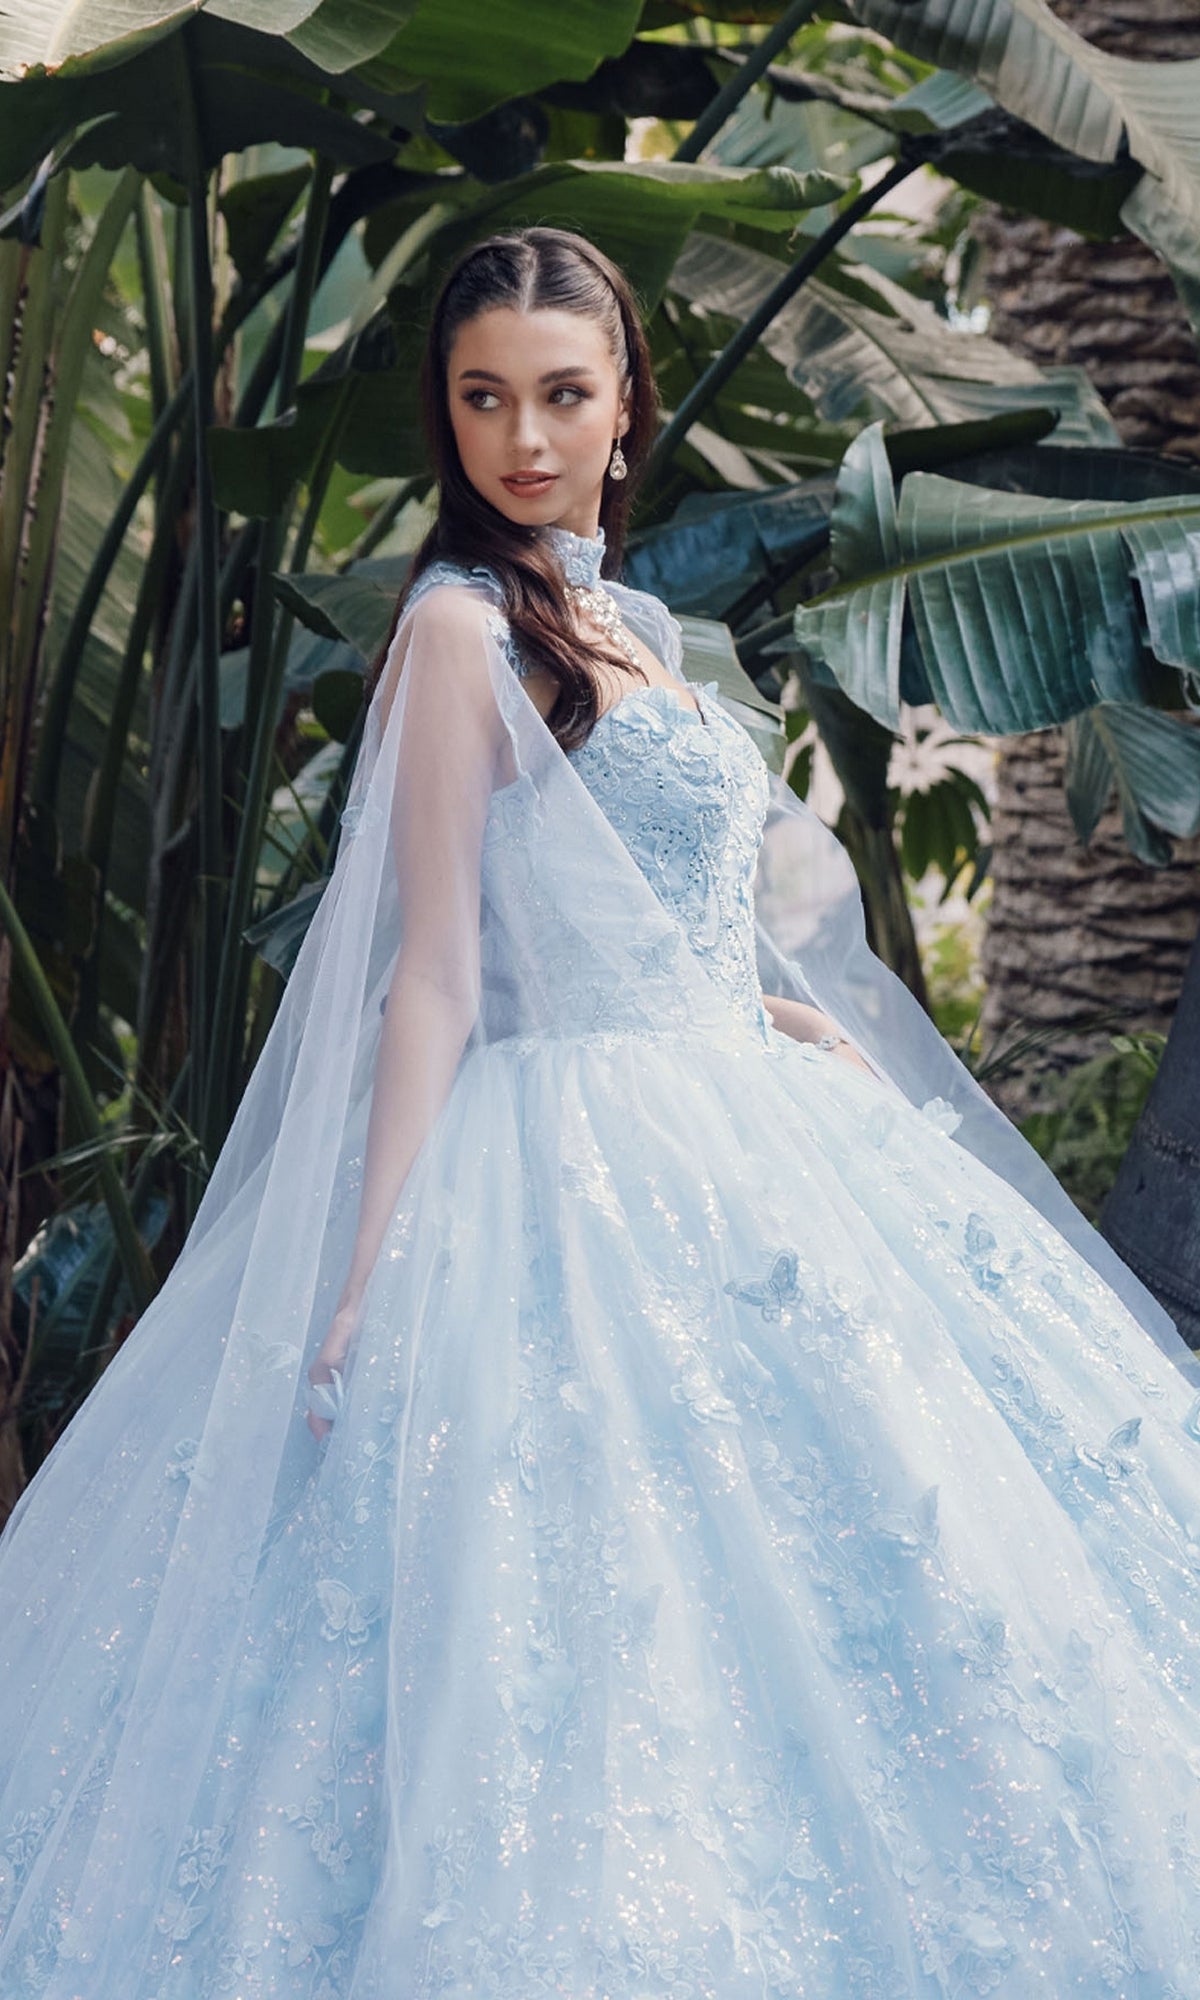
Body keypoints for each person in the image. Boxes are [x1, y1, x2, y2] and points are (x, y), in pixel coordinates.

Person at [2, 225, 1199, 2000]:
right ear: (450, 419)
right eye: (484, 400)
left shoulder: (627, 615)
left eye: (563, 394)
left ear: (628, 406)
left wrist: (773, 1014)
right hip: (554, 1152)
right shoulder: (453, 631)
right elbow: (436, 971)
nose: (525, 438)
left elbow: (661, 898)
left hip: (735, 1114)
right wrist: (367, 1259)